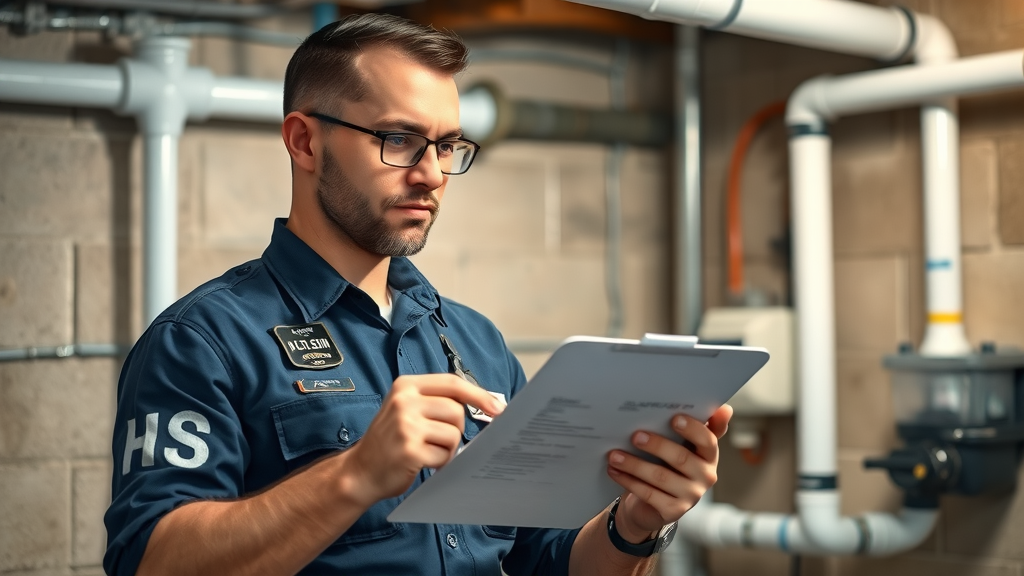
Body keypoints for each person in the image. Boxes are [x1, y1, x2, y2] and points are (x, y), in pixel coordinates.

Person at [104, 13, 732, 576]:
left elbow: (544, 559)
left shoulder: (473, 341)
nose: (431, 174)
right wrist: (353, 476)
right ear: (304, 141)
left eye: (448, 145)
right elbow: (149, 562)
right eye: (398, 139)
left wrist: (635, 525)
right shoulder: (203, 342)